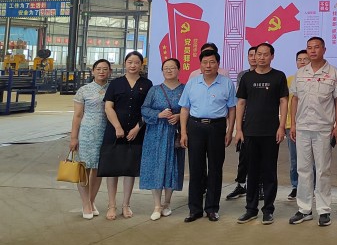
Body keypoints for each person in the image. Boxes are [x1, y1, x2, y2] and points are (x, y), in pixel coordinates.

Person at [288, 37, 337, 227]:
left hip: (323, 128)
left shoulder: (333, 73)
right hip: (302, 127)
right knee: (303, 169)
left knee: (322, 170)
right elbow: (295, 99)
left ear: (324, 49)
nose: (312, 51)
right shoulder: (300, 73)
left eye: (316, 47)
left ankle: (324, 210)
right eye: (309, 48)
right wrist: (293, 124)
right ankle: (304, 209)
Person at [179, 49, 237, 222]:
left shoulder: (227, 83)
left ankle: (212, 208)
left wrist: (230, 131)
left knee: (215, 169)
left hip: (217, 127)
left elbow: (232, 109)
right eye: (205, 62)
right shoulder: (192, 83)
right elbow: (185, 108)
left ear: (218, 64)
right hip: (195, 126)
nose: (208, 66)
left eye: (212, 62)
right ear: (200, 65)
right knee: (196, 168)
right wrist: (183, 132)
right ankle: (194, 209)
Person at [234, 43, 288, 225]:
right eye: (259, 54)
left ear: (272, 56)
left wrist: (281, 126)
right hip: (250, 131)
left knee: (269, 172)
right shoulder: (247, 77)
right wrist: (239, 129)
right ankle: (251, 209)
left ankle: (268, 210)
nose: (261, 57)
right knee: (252, 172)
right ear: (254, 56)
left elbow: (283, 101)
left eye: (265, 54)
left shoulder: (278, 76)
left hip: (271, 132)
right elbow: (241, 103)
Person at [99, 51, 152, 220]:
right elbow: (108, 107)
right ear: (125, 63)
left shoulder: (147, 84)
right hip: (115, 132)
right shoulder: (115, 83)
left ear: (141, 65)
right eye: (130, 62)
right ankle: (112, 205)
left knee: (130, 169)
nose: (133, 65)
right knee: (112, 169)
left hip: (136, 133)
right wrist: (117, 127)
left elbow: (148, 109)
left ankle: (126, 205)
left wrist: (137, 128)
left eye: (136, 62)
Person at [139, 58, 185, 221]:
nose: (169, 70)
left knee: (172, 166)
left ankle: (167, 203)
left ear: (179, 70)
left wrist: (179, 116)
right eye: (166, 68)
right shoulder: (154, 90)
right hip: (155, 133)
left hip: (174, 133)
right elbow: (144, 109)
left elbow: (191, 108)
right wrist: (158, 114)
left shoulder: (185, 89)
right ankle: (157, 205)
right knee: (156, 166)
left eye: (172, 67)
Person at [69, 59, 111, 219]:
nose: (101, 72)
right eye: (98, 69)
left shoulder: (113, 89)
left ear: (110, 72)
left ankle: (91, 201)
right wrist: (74, 137)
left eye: (105, 69)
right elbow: (77, 115)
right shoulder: (84, 90)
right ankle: (85, 203)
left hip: (105, 133)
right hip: (86, 133)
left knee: (98, 169)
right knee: (84, 168)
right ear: (93, 71)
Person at [227, 45, 257, 201]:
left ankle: (259, 186)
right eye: (251, 55)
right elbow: (241, 99)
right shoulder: (243, 75)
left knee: (259, 156)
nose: (254, 58)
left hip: (260, 121)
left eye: (256, 54)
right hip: (244, 120)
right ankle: (240, 184)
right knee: (243, 154)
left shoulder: (269, 75)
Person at [286, 49, 310, 200]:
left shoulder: (315, 79)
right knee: (294, 159)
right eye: (299, 59)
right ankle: (295, 186)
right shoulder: (289, 80)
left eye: (305, 59)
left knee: (311, 159)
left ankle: (312, 186)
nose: (302, 62)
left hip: (309, 124)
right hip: (291, 125)